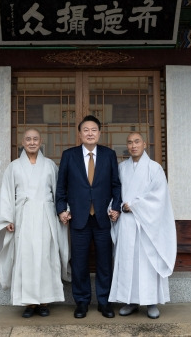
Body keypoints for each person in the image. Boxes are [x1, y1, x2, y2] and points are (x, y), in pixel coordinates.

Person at [0, 128, 70, 318]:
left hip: (46, 216)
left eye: (35, 139)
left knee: (46, 256)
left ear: (41, 142)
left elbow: (59, 193)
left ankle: (45, 301)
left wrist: (63, 211)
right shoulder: (13, 167)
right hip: (22, 216)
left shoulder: (50, 166)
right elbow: (6, 194)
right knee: (25, 257)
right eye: (28, 139)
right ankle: (30, 302)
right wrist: (7, 218)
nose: (32, 142)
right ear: (22, 143)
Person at [56, 115, 121, 319]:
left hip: (103, 218)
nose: (90, 133)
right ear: (80, 134)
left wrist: (116, 207)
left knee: (104, 262)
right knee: (80, 263)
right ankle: (82, 302)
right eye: (86, 130)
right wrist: (61, 209)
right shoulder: (69, 155)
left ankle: (104, 302)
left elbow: (116, 185)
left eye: (94, 130)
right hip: (79, 218)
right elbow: (61, 188)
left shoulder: (109, 155)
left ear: (99, 133)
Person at [109, 132, 177, 319]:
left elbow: (159, 197)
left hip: (147, 224)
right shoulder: (121, 168)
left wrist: (136, 205)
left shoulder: (155, 169)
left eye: (137, 142)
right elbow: (114, 192)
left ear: (144, 144)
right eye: (129, 142)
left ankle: (151, 302)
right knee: (128, 262)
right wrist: (114, 208)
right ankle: (129, 300)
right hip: (126, 223)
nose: (133, 146)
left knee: (147, 263)